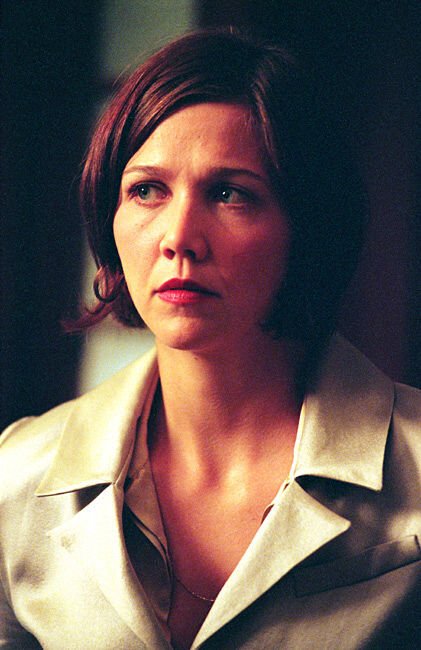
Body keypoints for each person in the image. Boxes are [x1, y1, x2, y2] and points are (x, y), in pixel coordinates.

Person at [0, 28, 420, 650]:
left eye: (229, 194)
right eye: (146, 190)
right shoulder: (17, 476)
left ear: (306, 227)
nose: (179, 238)